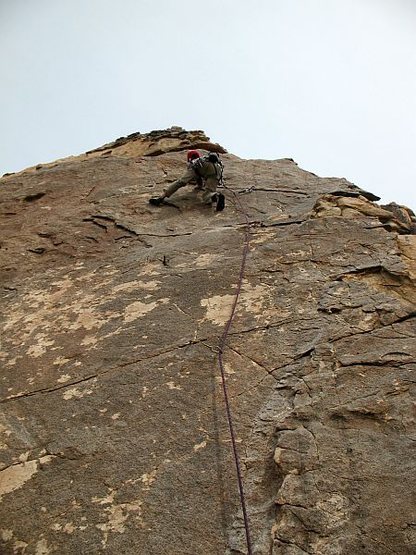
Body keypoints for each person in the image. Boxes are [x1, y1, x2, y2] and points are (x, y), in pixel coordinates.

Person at [149, 150, 225, 211]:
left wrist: (192, 182)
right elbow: (199, 177)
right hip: (217, 170)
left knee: (181, 182)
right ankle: (216, 195)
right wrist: (199, 186)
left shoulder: (195, 163)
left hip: (203, 169)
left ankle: (160, 198)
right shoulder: (210, 161)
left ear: (189, 157)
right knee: (209, 192)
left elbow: (186, 179)